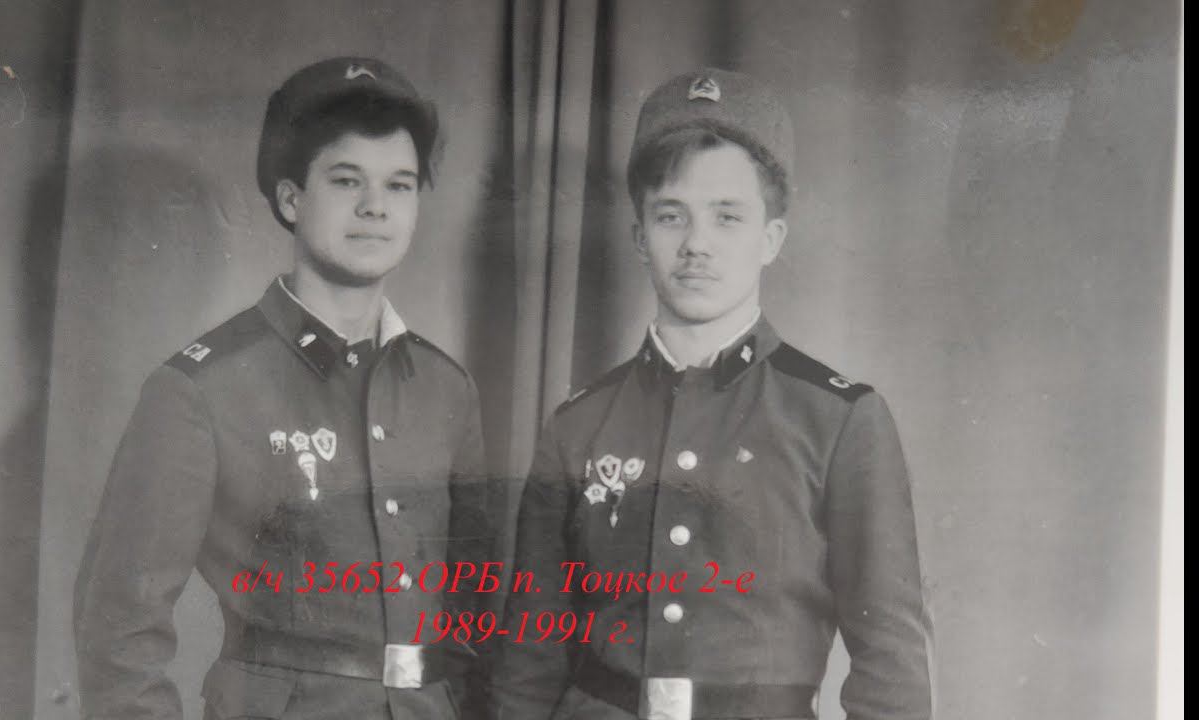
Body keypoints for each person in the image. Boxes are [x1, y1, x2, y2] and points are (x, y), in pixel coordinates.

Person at [490, 68, 934, 720]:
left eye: (728, 217)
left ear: (771, 239)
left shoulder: (838, 420)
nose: (697, 244)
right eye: (672, 216)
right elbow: (529, 662)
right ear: (640, 237)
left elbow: (892, 666)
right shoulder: (577, 427)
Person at [73, 56, 491, 720]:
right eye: (347, 180)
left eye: (400, 185)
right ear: (291, 198)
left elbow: (473, 614)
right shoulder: (200, 389)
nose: (376, 207)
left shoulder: (446, 390)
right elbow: (118, 633)